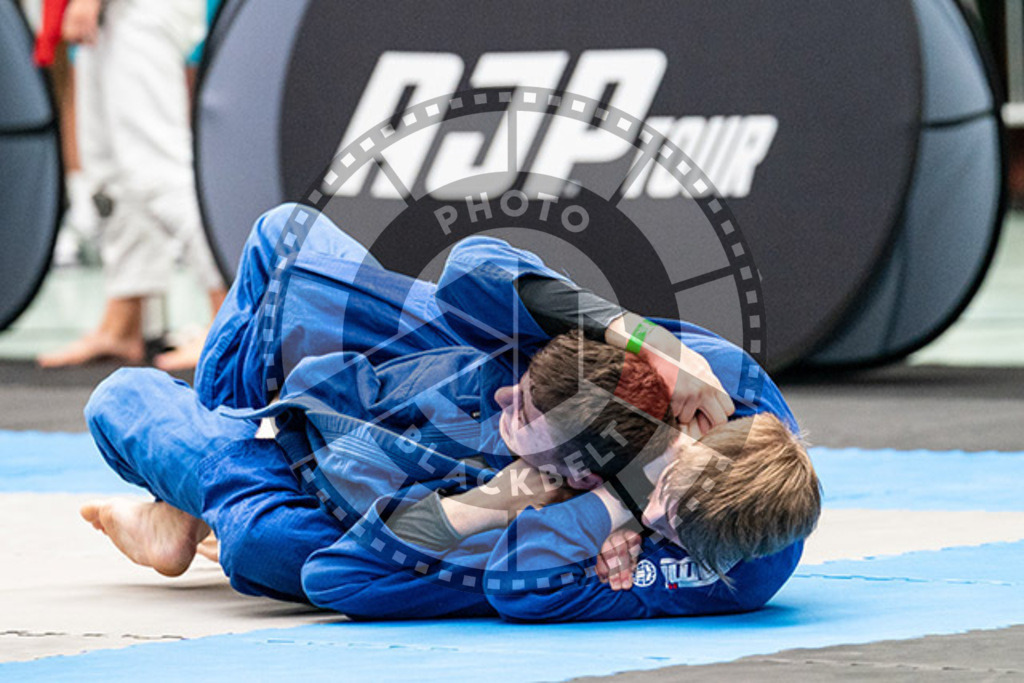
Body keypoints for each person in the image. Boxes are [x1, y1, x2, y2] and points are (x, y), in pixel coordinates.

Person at [81, 203, 820, 620]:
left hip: (390, 486)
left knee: (259, 532)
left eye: (662, 523)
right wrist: (639, 334)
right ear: (699, 431)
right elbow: (474, 269)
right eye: (662, 491)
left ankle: (207, 498)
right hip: (449, 359)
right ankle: (191, 494)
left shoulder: (712, 568)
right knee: (284, 236)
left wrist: (587, 506)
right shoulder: (707, 382)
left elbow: (376, 577)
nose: (648, 517)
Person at [38, 0, 227, 370]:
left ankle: (226, 323)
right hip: (113, 14)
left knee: (156, 167)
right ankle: (122, 324)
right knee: (109, 173)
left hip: (142, 8)